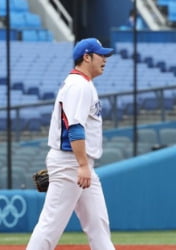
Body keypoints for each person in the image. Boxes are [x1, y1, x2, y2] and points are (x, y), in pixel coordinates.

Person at [26, 38, 116, 250]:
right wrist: (82, 165)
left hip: (79, 164)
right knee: (50, 225)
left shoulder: (84, 84)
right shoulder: (78, 85)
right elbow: (74, 127)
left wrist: (84, 166)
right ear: (86, 57)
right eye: (100, 55)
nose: (105, 59)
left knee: (98, 225)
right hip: (72, 163)